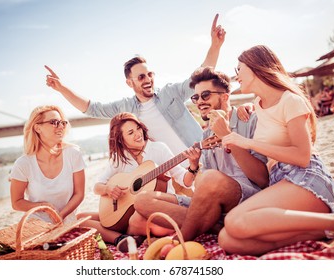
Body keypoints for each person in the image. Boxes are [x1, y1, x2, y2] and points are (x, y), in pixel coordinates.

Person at [45, 14, 225, 159]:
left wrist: (215, 46)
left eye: (149, 74)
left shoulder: (170, 93)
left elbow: (199, 77)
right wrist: (61, 88)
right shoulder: (126, 108)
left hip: (204, 157)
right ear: (130, 82)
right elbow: (92, 108)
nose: (147, 79)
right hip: (173, 173)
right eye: (141, 77)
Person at [218, 45, 334, 256]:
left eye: (239, 69)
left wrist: (248, 143)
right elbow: (264, 115)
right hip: (280, 181)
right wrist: (245, 109)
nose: (236, 75)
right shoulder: (257, 104)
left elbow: (302, 157)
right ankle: (320, 231)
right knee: (227, 240)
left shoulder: (290, 101)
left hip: (305, 177)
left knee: (234, 221)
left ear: (256, 67)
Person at [133, 66, 269, 241]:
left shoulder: (251, 120)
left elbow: (263, 180)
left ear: (225, 96)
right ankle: (216, 225)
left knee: (210, 178)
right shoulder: (206, 134)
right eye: (195, 97)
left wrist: (227, 136)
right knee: (142, 200)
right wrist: (193, 167)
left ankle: (179, 241)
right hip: (216, 205)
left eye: (205, 95)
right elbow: (204, 190)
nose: (199, 102)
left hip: (247, 198)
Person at [77, 112, 201, 250]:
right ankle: (120, 238)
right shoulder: (119, 159)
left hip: (157, 209)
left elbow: (185, 181)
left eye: (138, 128)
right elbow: (97, 187)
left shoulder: (158, 148)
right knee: (81, 218)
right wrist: (108, 189)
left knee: (136, 220)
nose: (138, 134)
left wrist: (193, 166)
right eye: (131, 132)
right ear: (120, 139)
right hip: (125, 213)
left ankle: (126, 235)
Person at [10, 105, 85, 224]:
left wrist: (60, 216)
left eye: (62, 122)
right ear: (37, 128)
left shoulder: (73, 154)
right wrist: (43, 206)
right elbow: (16, 202)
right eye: (54, 122)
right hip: (37, 225)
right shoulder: (23, 164)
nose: (61, 126)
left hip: (68, 222)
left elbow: (79, 193)